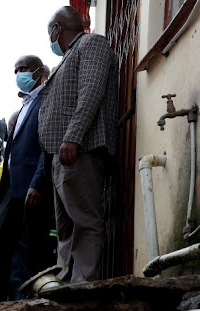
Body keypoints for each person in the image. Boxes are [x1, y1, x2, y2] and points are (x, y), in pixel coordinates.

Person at [39, 6, 118, 284]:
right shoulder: (70, 54)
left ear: (57, 30)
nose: (50, 38)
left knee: (84, 220)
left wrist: (73, 136)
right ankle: (70, 279)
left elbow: (91, 90)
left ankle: (82, 285)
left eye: (50, 32)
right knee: (67, 226)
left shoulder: (91, 42)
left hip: (79, 149)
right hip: (62, 155)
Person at [0, 54, 53, 303]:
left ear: (38, 72)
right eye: (16, 70)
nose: (19, 74)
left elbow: (47, 146)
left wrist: (38, 182)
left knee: (29, 251)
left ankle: (23, 302)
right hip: (10, 192)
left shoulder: (47, 101)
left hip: (31, 189)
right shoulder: (24, 105)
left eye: (24, 69)